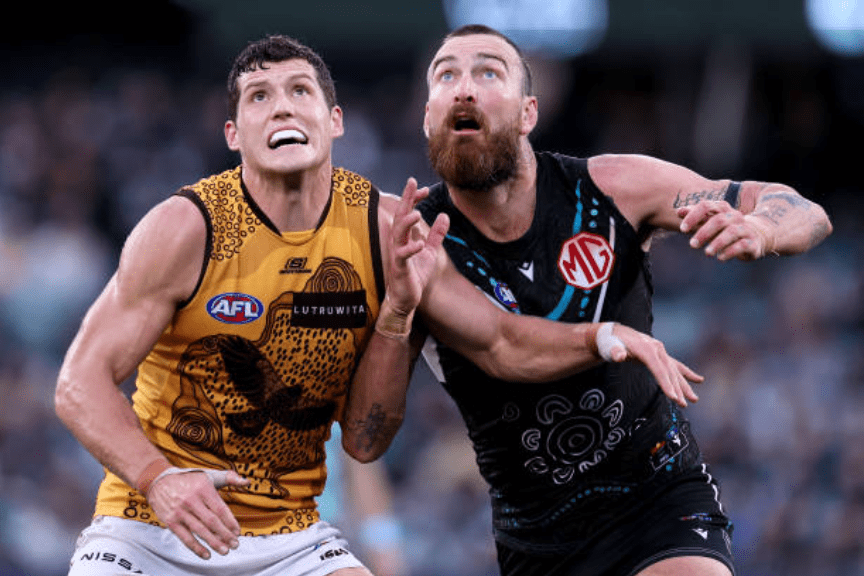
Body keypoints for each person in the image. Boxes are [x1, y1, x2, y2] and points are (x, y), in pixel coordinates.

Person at [54, 34, 704, 576]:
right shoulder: (186, 228)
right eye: (259, 97)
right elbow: (78, 382)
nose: (282, 108)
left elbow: (482, 356)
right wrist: (158, 478)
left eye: (300, 91)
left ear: (334, 121)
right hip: (148, 529)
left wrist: (399, 317)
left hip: (289, 540)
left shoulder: (389, 232)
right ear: (234, 132)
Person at [415, 24, 833, 576]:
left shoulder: (611, 188)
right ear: (428, 117)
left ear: (528, 114)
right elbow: (385, 427)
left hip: (658, 498)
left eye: (488, 71)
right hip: (537, 538)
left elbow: (805, 210)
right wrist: (396, 315)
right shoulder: (415, 242)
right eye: (447, 75)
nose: (464, 88)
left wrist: (761, 230)